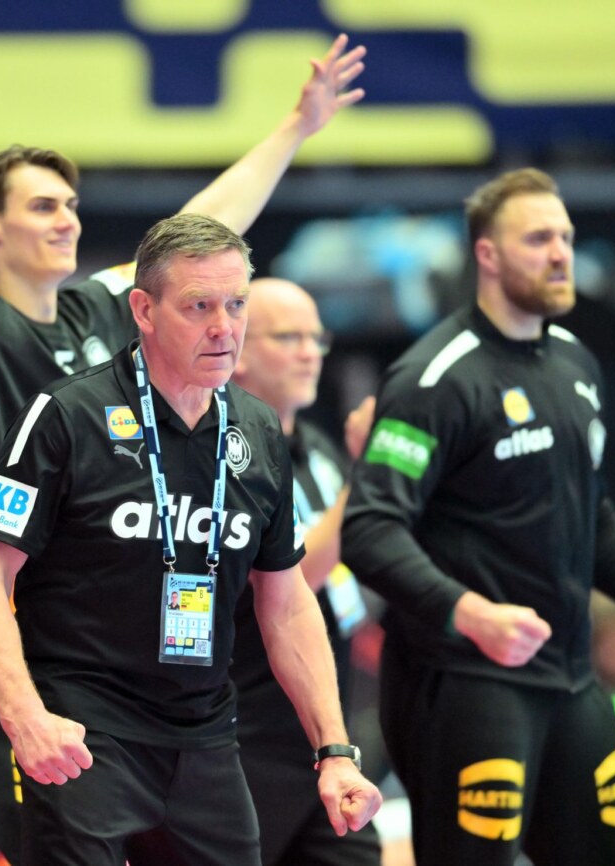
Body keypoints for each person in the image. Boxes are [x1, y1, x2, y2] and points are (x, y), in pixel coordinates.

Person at [0, 36, 366, 865]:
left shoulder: (100, 311)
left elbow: (208, 234)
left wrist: (296, 126)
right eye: (43, 206)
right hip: (25, 641)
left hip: (164, 671)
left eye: (72, 204)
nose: (67, 219)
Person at [341, 167, 615, 865]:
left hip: (570, 679)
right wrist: (473, 614)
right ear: (487, 254)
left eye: (565, 237)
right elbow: (370, 530)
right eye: (538, 239)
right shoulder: (435, 377)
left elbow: (591, 518)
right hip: (468, 683)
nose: (560, 254)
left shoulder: (574, 364)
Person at [0, 214, 381, 865]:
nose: (224, 327)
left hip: (205, 737)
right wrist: (24, 717)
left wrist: (335, 751)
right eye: (199, 306)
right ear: (144, 311)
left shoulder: (259, 431)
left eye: (236, 304)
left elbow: (288, 601)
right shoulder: (66, 416)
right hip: (84, 731)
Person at [229, 277, 381, 866]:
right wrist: (369, 474)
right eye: (288, 337)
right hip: (248, 733)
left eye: (317, 337)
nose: (310, 352)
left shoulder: (317, 447)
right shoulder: (224, 451)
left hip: (322, 735)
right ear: (238, 349)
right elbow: (292, 579)